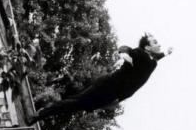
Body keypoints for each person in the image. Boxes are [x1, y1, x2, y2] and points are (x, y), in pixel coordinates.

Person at [31, 33, 172, 123]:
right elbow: (126, 48)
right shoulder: (140, 53)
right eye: (155, 42)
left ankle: (49, 107)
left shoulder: (153, 62)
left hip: (113, 96)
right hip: (107, 85)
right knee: (77, 102)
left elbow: (157, 57)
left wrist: (166, 53)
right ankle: (42, 113)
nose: (158, 44)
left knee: (77, 105)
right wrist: (123, 54)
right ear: (147, 47)